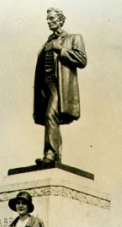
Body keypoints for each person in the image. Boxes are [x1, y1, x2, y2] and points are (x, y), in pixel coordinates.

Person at [33, 8, 87, 165]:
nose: (49, 21)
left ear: (60, 20)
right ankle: (56, 155)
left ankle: (50, 153)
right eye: (48, 19)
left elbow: (82, 60)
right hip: (45, 86)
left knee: (51, 115)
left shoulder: (73, 38)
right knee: (51, 118)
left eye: (52, 18)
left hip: (60, 85)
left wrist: (61, 50)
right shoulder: (46, 43)